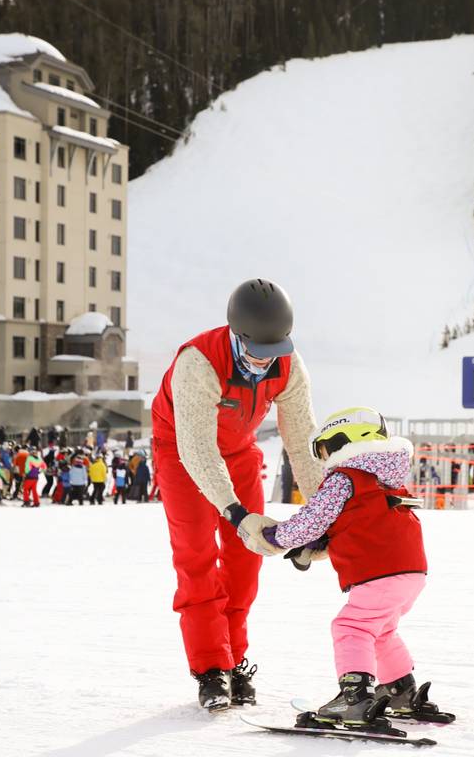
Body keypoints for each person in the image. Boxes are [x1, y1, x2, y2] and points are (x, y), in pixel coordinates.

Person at [151, 278, 323, 711]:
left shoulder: (289, 365)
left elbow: (301, 441)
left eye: (275, 352)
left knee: (248, 558)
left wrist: (322, 515)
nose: (266, 363)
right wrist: (235, 512)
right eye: (257, 353)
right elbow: (196, 449)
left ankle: (234, 660)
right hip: (182, 452)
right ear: (237, 335)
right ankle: (211, 668)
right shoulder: (199, 362)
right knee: (196, 556)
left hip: (238, 451)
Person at [263, 407, 430, 725]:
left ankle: (355, 697)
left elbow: (313, 519)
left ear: (343, 443)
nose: (324, 461)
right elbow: (360, 519)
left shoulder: (344, 478)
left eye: (324, 450)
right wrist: (324, 540)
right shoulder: (387, 478)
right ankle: (400, 689)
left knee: (351, 627)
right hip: (411, 572)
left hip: (379, 572)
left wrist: (276, 535)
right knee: (381, 629)